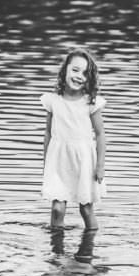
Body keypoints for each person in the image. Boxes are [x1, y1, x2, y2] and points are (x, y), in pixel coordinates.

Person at [41, 47, 106, 230]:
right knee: (57, 209)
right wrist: (46, 163)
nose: (79, 76)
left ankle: (91, 240)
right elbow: (48, 133)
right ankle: (56, 243)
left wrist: (100, 166)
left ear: (89, 78)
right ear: (65, 70)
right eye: (75, 70)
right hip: (58, 160)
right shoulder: (53, 101)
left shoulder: (90, 102)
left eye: (85, 73)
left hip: (83, 161)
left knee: (86, 209)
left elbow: (100, 134)